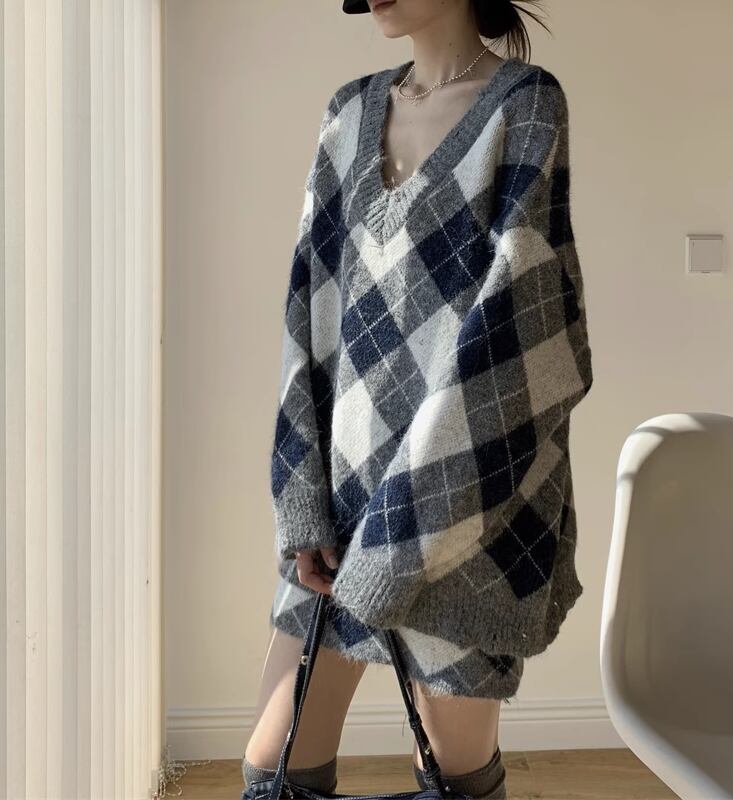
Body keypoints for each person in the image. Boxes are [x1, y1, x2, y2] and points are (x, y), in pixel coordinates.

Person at [243, 1, 593, 798]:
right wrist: (301, 502)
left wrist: (403, 540)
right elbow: (308, 316)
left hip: (466, 511)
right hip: (342, 514)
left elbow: (519, 338)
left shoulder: (525, 105)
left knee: (454, 780)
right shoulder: (349, 112)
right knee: (273, 770)